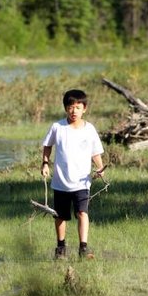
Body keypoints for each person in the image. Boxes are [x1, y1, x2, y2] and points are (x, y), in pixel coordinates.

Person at [41, 89, 105, 259]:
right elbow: (47, 145)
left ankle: (83, 248)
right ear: (65, 108)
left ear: (84, 108)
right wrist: (45, 163)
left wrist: (100, 168)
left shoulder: (89, 129)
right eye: (70, 107)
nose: (74, 111)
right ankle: (60, 248)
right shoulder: (57, 127)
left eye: (78, 107)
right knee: (60, 216)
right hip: (60, 181)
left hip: (82, 182)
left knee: (82, 213)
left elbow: (95, 153)